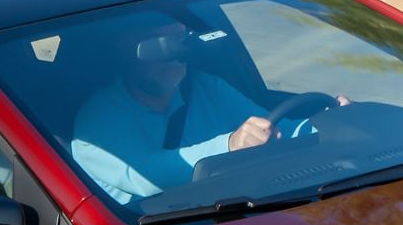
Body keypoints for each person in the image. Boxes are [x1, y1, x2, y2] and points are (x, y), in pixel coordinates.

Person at [70, 14, 277, 205]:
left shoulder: (206, 89)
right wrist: (229, 145)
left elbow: (275, 128)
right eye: (158, 44)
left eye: (180, 40)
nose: (174, 53)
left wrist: (309, 126)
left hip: (233, 210)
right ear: (126, 49)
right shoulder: (97, 120)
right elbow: (148, 175)